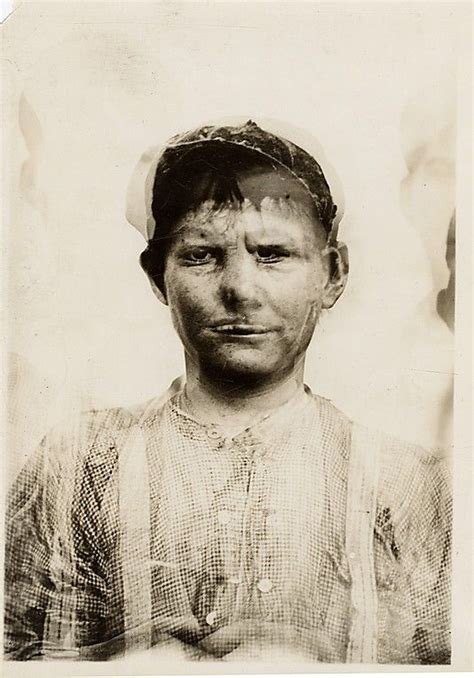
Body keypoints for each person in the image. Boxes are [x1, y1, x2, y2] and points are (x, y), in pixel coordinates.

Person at [4, 120, 451, 664]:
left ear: (333, 274)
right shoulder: (79, 463)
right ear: (156, 275)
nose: (240, 287)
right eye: (201, 255)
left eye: (273, 253)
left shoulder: (408, 484)